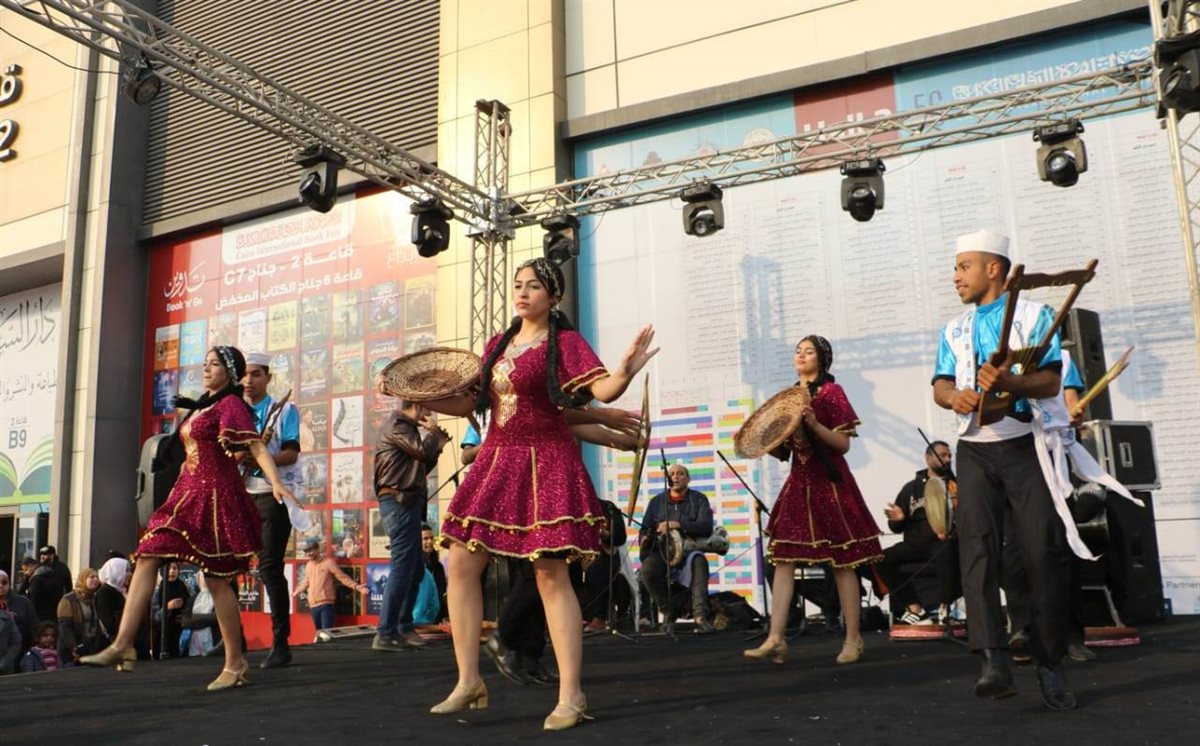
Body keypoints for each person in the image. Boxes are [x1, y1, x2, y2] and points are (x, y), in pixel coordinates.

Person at [427, 257, 657, 730]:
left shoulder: (566, 343)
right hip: (497, 461)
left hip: (546, 462)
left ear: (554, 296)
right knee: (461, 563)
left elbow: (604, 391)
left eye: (533, 286)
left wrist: (626, 370)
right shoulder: (498, 344)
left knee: (550, 575)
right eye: (518, 285)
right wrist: (418, 395)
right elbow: (471, 402)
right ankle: (469, 680)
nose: (522, 292)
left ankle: (571, 694)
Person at [81, 346, 293, 692]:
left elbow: (255, 446)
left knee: (216, 579)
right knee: (148, 553)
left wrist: (276, 482)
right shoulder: (203, 405)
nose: (206, 369)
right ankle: (123, 644)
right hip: (186, 495)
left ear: (230, 372)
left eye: (214, 364)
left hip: (215, 498)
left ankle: (235, 662)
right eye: (205, 364)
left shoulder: (230, 404)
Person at [931, 229, 1075, 711]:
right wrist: (955, 396)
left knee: (1041, 553)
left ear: (993, 269)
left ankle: (1050, 663)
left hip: (1023, 445)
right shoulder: (954, 329)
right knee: (977, 554)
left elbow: (1050, 380)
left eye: (963, 267)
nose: (956, 277)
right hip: (974, 449)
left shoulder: (1034, 316)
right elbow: (940, 385)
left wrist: (1010, 382)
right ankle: (992, 659)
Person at [745, 335, 882, 666]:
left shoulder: (832, 392)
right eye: (798, 351)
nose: (801, 355)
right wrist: (766, 439)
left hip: (830, 484)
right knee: (783, 559)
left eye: (808, 351)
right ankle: (776, 638)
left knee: (843, 561)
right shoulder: (790, 397)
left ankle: (853, 639)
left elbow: (843, 445)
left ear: (822, 359)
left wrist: (814, 424)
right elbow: (783, 451)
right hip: (799, 483)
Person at [371, 399, 450, 651]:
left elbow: (420, 466)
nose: (431, 412)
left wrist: (437, 446)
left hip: (408, 502)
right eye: (428, 407)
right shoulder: (398, 425)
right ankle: (386, 631)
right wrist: (434, 433)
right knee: (403, 566)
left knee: (415, 570)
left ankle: (404, 628)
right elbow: (422, 452)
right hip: (399, 502)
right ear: (416, 404)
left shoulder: (407, 428)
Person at [241, 352, 302, 669]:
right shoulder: (234, 410)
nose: (248, 381)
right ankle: (232, 638)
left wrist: (259, 459)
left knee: (269, 567)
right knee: (228, 566)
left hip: (272, 495)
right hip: (240, 494)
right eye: (244, 375)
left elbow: (290, 453)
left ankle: (280, 642)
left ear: (268, 377)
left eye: (255, 374)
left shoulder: (284, 410)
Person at [875, 441, 960, 624]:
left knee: (947, 549)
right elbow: (895, 528)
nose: (947, 459)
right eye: (942, 455)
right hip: (915, 545)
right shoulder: (911, 488)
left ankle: (945, 608)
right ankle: (914, 608)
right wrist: (898, 519)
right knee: (880, 558)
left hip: (943, 542)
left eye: (949, 456)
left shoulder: (955, 485)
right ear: (928, 458)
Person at [639, 464, 717, 633]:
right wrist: (647, 537)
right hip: (662, 551)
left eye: (680, 473)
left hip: (689, 550)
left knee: (699, 562)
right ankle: (668, 609)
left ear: (688, 479)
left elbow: (706, 526)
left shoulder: (699, 499)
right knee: (647, 569)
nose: (675, 476)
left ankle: (700, 616)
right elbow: (644, 530)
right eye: (672, 474)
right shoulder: (656, 502)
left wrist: (679, 524)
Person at [292, 537, 368, 632]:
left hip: (326, 605)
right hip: (313, 606)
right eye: (306, 551)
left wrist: (357, 587)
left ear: (317, 549)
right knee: (319, 634)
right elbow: (306, 582)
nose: (308, 554)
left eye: (310, 550)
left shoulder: (328, 563)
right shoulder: (309, 565)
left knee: (327, 634)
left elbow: (342, 577)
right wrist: (298, 590)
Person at [575, 500, 628, 632]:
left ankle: (599, 618)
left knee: (598, 570)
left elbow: (620, 537)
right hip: (575, 556)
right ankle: (573, 617)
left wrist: (607, 534)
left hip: (603, 557)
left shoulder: (607, 507)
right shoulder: (568, 506)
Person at [57, 568, 101, 667]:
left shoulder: (94, 598)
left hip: (89, 647)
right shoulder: (68, 600)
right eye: (92, 577)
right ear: (83, 579)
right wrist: (74, 648)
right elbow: (65, 628)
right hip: (71, 650)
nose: (95, 579)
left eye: (97, 577)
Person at [151, 562, 192, 659]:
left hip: (182, 632)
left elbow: (191, 606)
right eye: (168, 569)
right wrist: (167, 607)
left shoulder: (184, 588)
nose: (172, 571)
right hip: (163, 635)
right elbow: (155, 618)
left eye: (175, 568)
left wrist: (185, 615)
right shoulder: (158, 591)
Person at [27, 545, 73, 623]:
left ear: (52, 555)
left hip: (55, 608)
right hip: (39, 608)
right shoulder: (37, 568)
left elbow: (68, 588)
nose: (42, 557)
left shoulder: (62, 569)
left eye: (45, 554)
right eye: (41, 554)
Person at [181, 571, 220, 657]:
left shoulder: (219, 597)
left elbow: (218, 618)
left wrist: (195, 618)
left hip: (213, 641)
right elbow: (185, 621)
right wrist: (207, 620)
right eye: (203, 577)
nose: (205, 580)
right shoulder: (193, 599)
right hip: (194, 645)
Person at [0, 568, 37, 654]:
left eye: (4, 582)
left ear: (9, 583)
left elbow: (34, 627)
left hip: (21, 651)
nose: (1, 585)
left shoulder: (24, 602)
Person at [421, 523, 447, 623]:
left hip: (436, 618)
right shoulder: (414, 566)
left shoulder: (438, 567)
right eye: (425, 538)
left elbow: (442, 593)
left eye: (431, 538)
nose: (430, 541)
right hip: (418, 619)